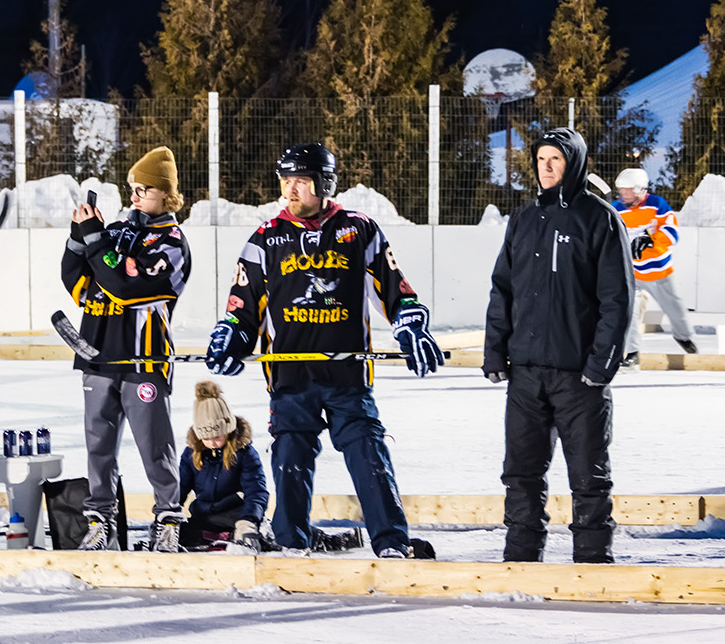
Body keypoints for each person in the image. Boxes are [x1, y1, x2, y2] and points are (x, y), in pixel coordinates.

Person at [207, 143, 443, 560]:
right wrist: (231, 335)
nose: (291, 190)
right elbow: (242, 306)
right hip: (291, 378)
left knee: (370, 453)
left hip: (347, 376)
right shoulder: (265, 239)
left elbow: (395, 287)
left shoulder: (358, 229)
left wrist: (409, 321)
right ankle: (291, 545)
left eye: (301, 180)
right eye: (286, 181)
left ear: (325, 183)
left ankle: (392, 543)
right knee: (290, 458)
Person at [485, 127, 632, 564]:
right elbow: (502, 289)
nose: (546, 167)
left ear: (574, 164)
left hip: (578, 376)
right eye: (541, 159)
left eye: (556, 159)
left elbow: (617, 298)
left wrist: (600, 365)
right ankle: (520, 560)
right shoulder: (524, 218)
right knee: (520, 474)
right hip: (526, 375)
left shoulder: (600, 218)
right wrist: (496, 350)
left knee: (588, 476)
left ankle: (592, 562)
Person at [62, 147, 193, 552]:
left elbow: (126, 288)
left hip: (143, 358)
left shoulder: (173, 242)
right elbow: (75, 280)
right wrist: (78, 238)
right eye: (132, 188)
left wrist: (99, 246)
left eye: (144, 190)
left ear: (167, 196)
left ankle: (168, 519)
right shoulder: (118, 231)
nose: (134, 196)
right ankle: (100, 523)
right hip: (98, 353)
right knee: (97, 447)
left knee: (155, 445)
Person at [612, 168, 698, 370]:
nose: (624, 195)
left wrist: (649, 239)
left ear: (640, 189)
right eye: (621, 191)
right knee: (629, 312)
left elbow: (672, 232)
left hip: (658, 271)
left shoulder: (657, 205)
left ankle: (683, 336)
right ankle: (632, 354)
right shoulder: (616, 208)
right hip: (630, 272)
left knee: (674, 308)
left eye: (628, 191)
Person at [178, 380, 268, 551]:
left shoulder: (244, 453)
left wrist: (248, 521)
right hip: (203, 516)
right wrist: (169, 516)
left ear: (228, 430)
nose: (212, 442)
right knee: (185, 534)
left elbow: (256, 491)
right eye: (206, 438)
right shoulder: (191, 454)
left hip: (236, 515)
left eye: (218, 437)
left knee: (265, 536)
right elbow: (179, 488)